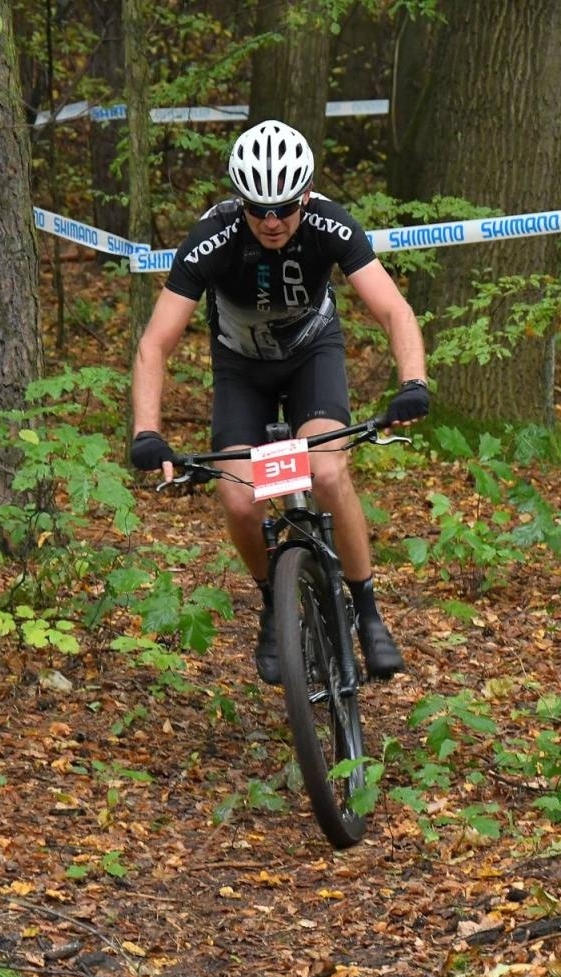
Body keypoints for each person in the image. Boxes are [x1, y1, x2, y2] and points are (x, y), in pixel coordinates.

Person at [129, 119, 429, 685]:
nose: (271, 221)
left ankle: (366, 610)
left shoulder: (330, 225)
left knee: (327, 471)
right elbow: (156, 342)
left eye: (284, 208)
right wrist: (147, 431)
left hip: (311, 354)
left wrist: (413, 383)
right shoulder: (213, 236)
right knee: (241, 500)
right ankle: (274, 603)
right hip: (242, 370)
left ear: (306, 196)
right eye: (257, 208)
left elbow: (394, 310)